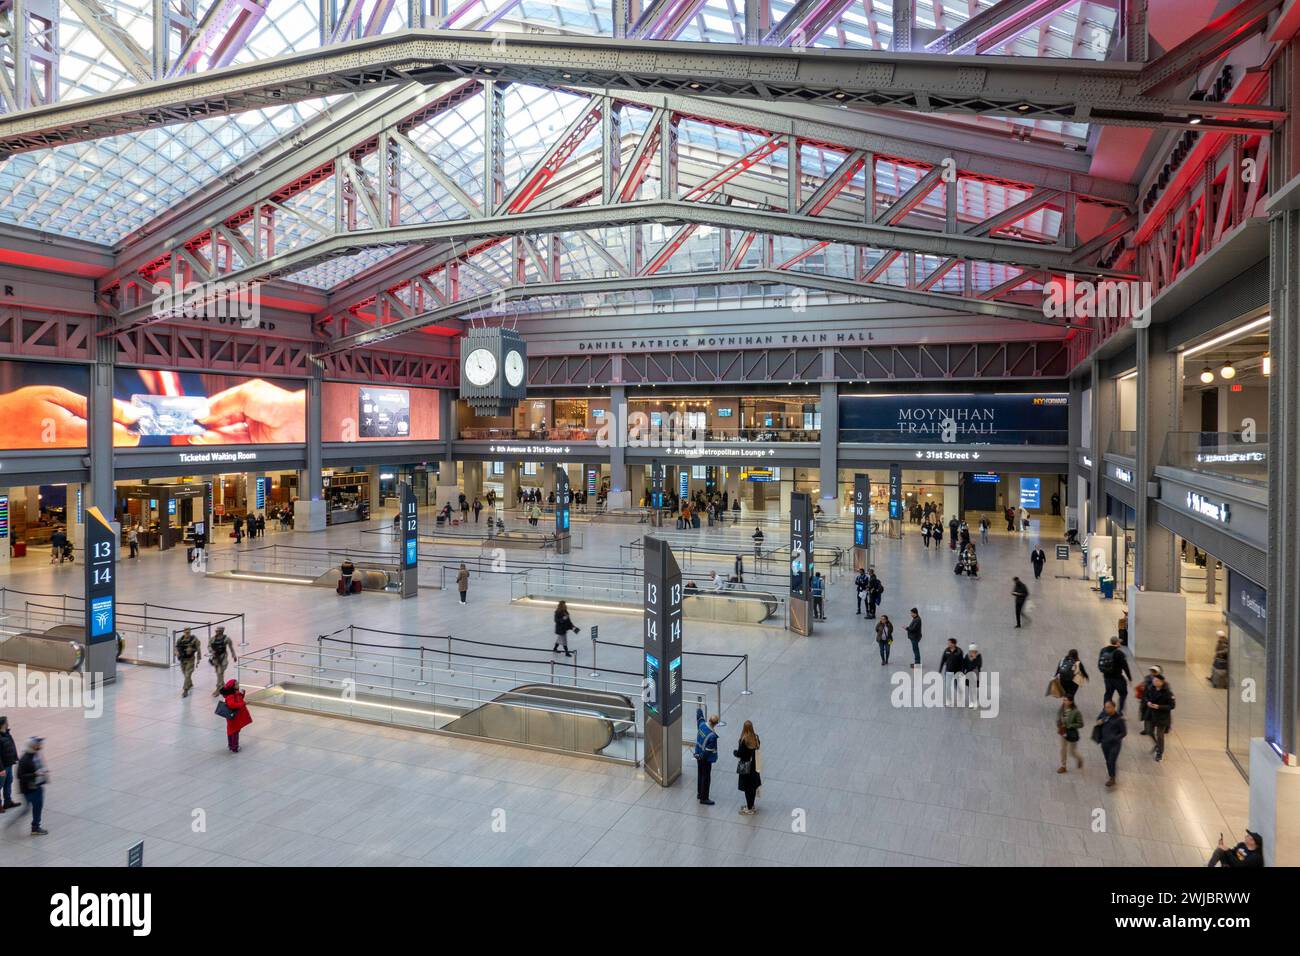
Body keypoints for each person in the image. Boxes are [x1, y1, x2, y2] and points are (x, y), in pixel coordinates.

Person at [7, 737, 48, 834]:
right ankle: (35, 827)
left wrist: (42, 772)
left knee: (29, 808)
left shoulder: (35, 754)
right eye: (38, 744)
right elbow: (20, 776)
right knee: (35, 807)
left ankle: (33, 826)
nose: (40, 746)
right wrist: (35, 774)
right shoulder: (25, 759)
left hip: (36, 786)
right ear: (33, 746)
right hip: (30, 789)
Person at [1093, 700, 1126, 787]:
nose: (1106, 709)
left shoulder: (1119, 719)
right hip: (1105, 742)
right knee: (1108, 761)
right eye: (1105, 707)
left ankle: (1112, 778)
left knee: (1112, 760)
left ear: (1113, 707)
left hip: (1115, 744)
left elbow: (1124, 732)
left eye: (1108, 707)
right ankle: (1111, 774)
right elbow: (1098, 720)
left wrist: (1115, 738)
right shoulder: (1104, 713)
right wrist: (1100, 721)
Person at [1144, 673, 1176, 762]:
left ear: (1161, 682)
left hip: (1162, 717)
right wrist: (1148, 702)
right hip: (1151, 714)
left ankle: (1159, 752)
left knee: (1160, 735)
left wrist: (1159, 707)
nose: (1154, 682)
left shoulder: (1168, 693)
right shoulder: (1151, 688)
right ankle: (1157, 744)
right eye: (1154, 680)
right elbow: (1146, 697)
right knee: (1149, 731)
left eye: (1156, 681)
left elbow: (1172, 706)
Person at [734, 720, 762, 815]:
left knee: (746, 787)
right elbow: (758, 747)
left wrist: (735, 752)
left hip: (746, 767)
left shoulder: (744, 740)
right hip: (754, 766)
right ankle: (752, 805)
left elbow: (740, 754)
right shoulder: (756, 737)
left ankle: (749, 808)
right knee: (752, 787)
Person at [1098, 636, 1133, 713]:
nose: (1120, 643)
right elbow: (1125, 667)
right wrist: (1129, 678)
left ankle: (1105, 710)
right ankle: (1119, 712)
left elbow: (1099, 664)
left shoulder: (1103, 650)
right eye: (1119, 642)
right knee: (1123, 694)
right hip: (1118, 679)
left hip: (1107, 678)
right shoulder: (1119, 653)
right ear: (1117, 643)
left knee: (1108, 694)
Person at [693, 708, 720, 805]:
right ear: (716, 724)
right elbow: (708, 752)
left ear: (709, 720)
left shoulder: (701, 725)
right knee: (706, 777)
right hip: (705, 759)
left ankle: (700, 793)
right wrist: (703, 758)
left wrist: (699, 709)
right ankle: (704, 798)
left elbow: (699, 717)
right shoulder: (712, 736)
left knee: (700, 774)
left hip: (698, 754)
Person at [219, 679, 252, 753]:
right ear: (233, 686)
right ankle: (234, 747)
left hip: (235, 716)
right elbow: (232, 705)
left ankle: (231, 745)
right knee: (234, 731)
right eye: (237, 684)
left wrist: (242, 694)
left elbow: (238, 699)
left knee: (232, 731)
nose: (238, 685)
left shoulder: (234, 693)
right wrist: (244, 703)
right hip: (233, 717)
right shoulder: (230, 696)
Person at [1056, 696, 1084, 773]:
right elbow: (1058, 716)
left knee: (1072, 752)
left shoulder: (1076, 712)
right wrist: (1058, 723)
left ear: (1070, 702)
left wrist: (1070, 725)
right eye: (1063, 700)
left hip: (1071, 733)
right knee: (1063, 749)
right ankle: (1063, 766)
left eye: (1066, 700)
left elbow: (1081, 724)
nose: (1064, 701)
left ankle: (1079, 759)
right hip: (1063, 732)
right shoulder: (1062, 708)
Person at [208, 626, 237, 695]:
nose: (217, 632)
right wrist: (212, 651)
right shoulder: (212, 639)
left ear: (222, 631)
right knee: (219, 673)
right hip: (215, 658)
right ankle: (223, 685)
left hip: (223, 658)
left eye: (218, 631)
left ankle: (218, 688)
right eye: (216, 631)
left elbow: (231, 648)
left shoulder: (226, 639)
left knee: (220, 673)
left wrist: (234, 655)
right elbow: (209, 646)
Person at [175, 627, 202, 698]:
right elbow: (176, 647)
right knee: (185, 673)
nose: (187, 634)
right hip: (182, 659)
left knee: (187, 674)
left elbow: (198, 648)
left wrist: (198, 658)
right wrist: (176, 652)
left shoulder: (194, 639)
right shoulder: (180, 639)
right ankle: (189, 683)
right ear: (184, 632)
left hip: (190, 659)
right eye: (186, 632)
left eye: (188, 632)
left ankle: (185, 689)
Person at [939, 639, 964, 705]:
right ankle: (948, 700)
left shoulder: (959, 651)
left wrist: (962, 671)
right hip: (948, 671)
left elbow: (962, 662)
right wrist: (940, 670)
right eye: (948, 643)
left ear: (954, 644)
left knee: (956, 685)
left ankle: (960, 694)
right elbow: (943, 660)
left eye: (949, 643)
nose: (948, 644)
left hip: (957, 672)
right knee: (947, 686)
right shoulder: (946, 650)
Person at [0, 716, 17, 813]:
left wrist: (15, 758)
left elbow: (11, 746)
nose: (8, 723)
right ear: (3, 724)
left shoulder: (6, 733)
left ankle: (8, 802)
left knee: (8, 783)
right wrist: (1, 769)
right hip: (2, 767)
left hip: (9, 763)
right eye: (7, 722)